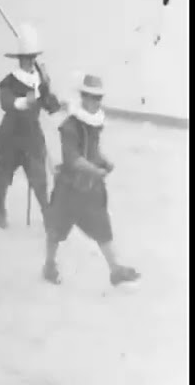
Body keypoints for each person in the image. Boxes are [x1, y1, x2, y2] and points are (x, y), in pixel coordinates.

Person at [42, 74, 141, 287]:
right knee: (56, 231)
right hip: (69, 188)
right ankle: (49, 265)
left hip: (90, 188)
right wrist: (95, 171)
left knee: (102, 228)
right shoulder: (70, 126)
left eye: (99, 98)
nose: (96, 102)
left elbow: (92, 151)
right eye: (92, 98)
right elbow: (72, 159)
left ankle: (115, 270)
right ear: (84, 98)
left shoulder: (94, 124)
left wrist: (104, 162)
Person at [0, 24, 61, 229]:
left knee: (39, 177)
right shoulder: (9, 81)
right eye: (26, 58)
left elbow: (52, 107)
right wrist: (35, 93)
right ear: (19, 59)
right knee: (2, 175)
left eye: (32, 58)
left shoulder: (39, 80)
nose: (29, 62)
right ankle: (1, 210)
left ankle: (47, 214)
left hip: (31, 134)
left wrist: (48, 87)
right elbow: (10, 103)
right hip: (11, 133)